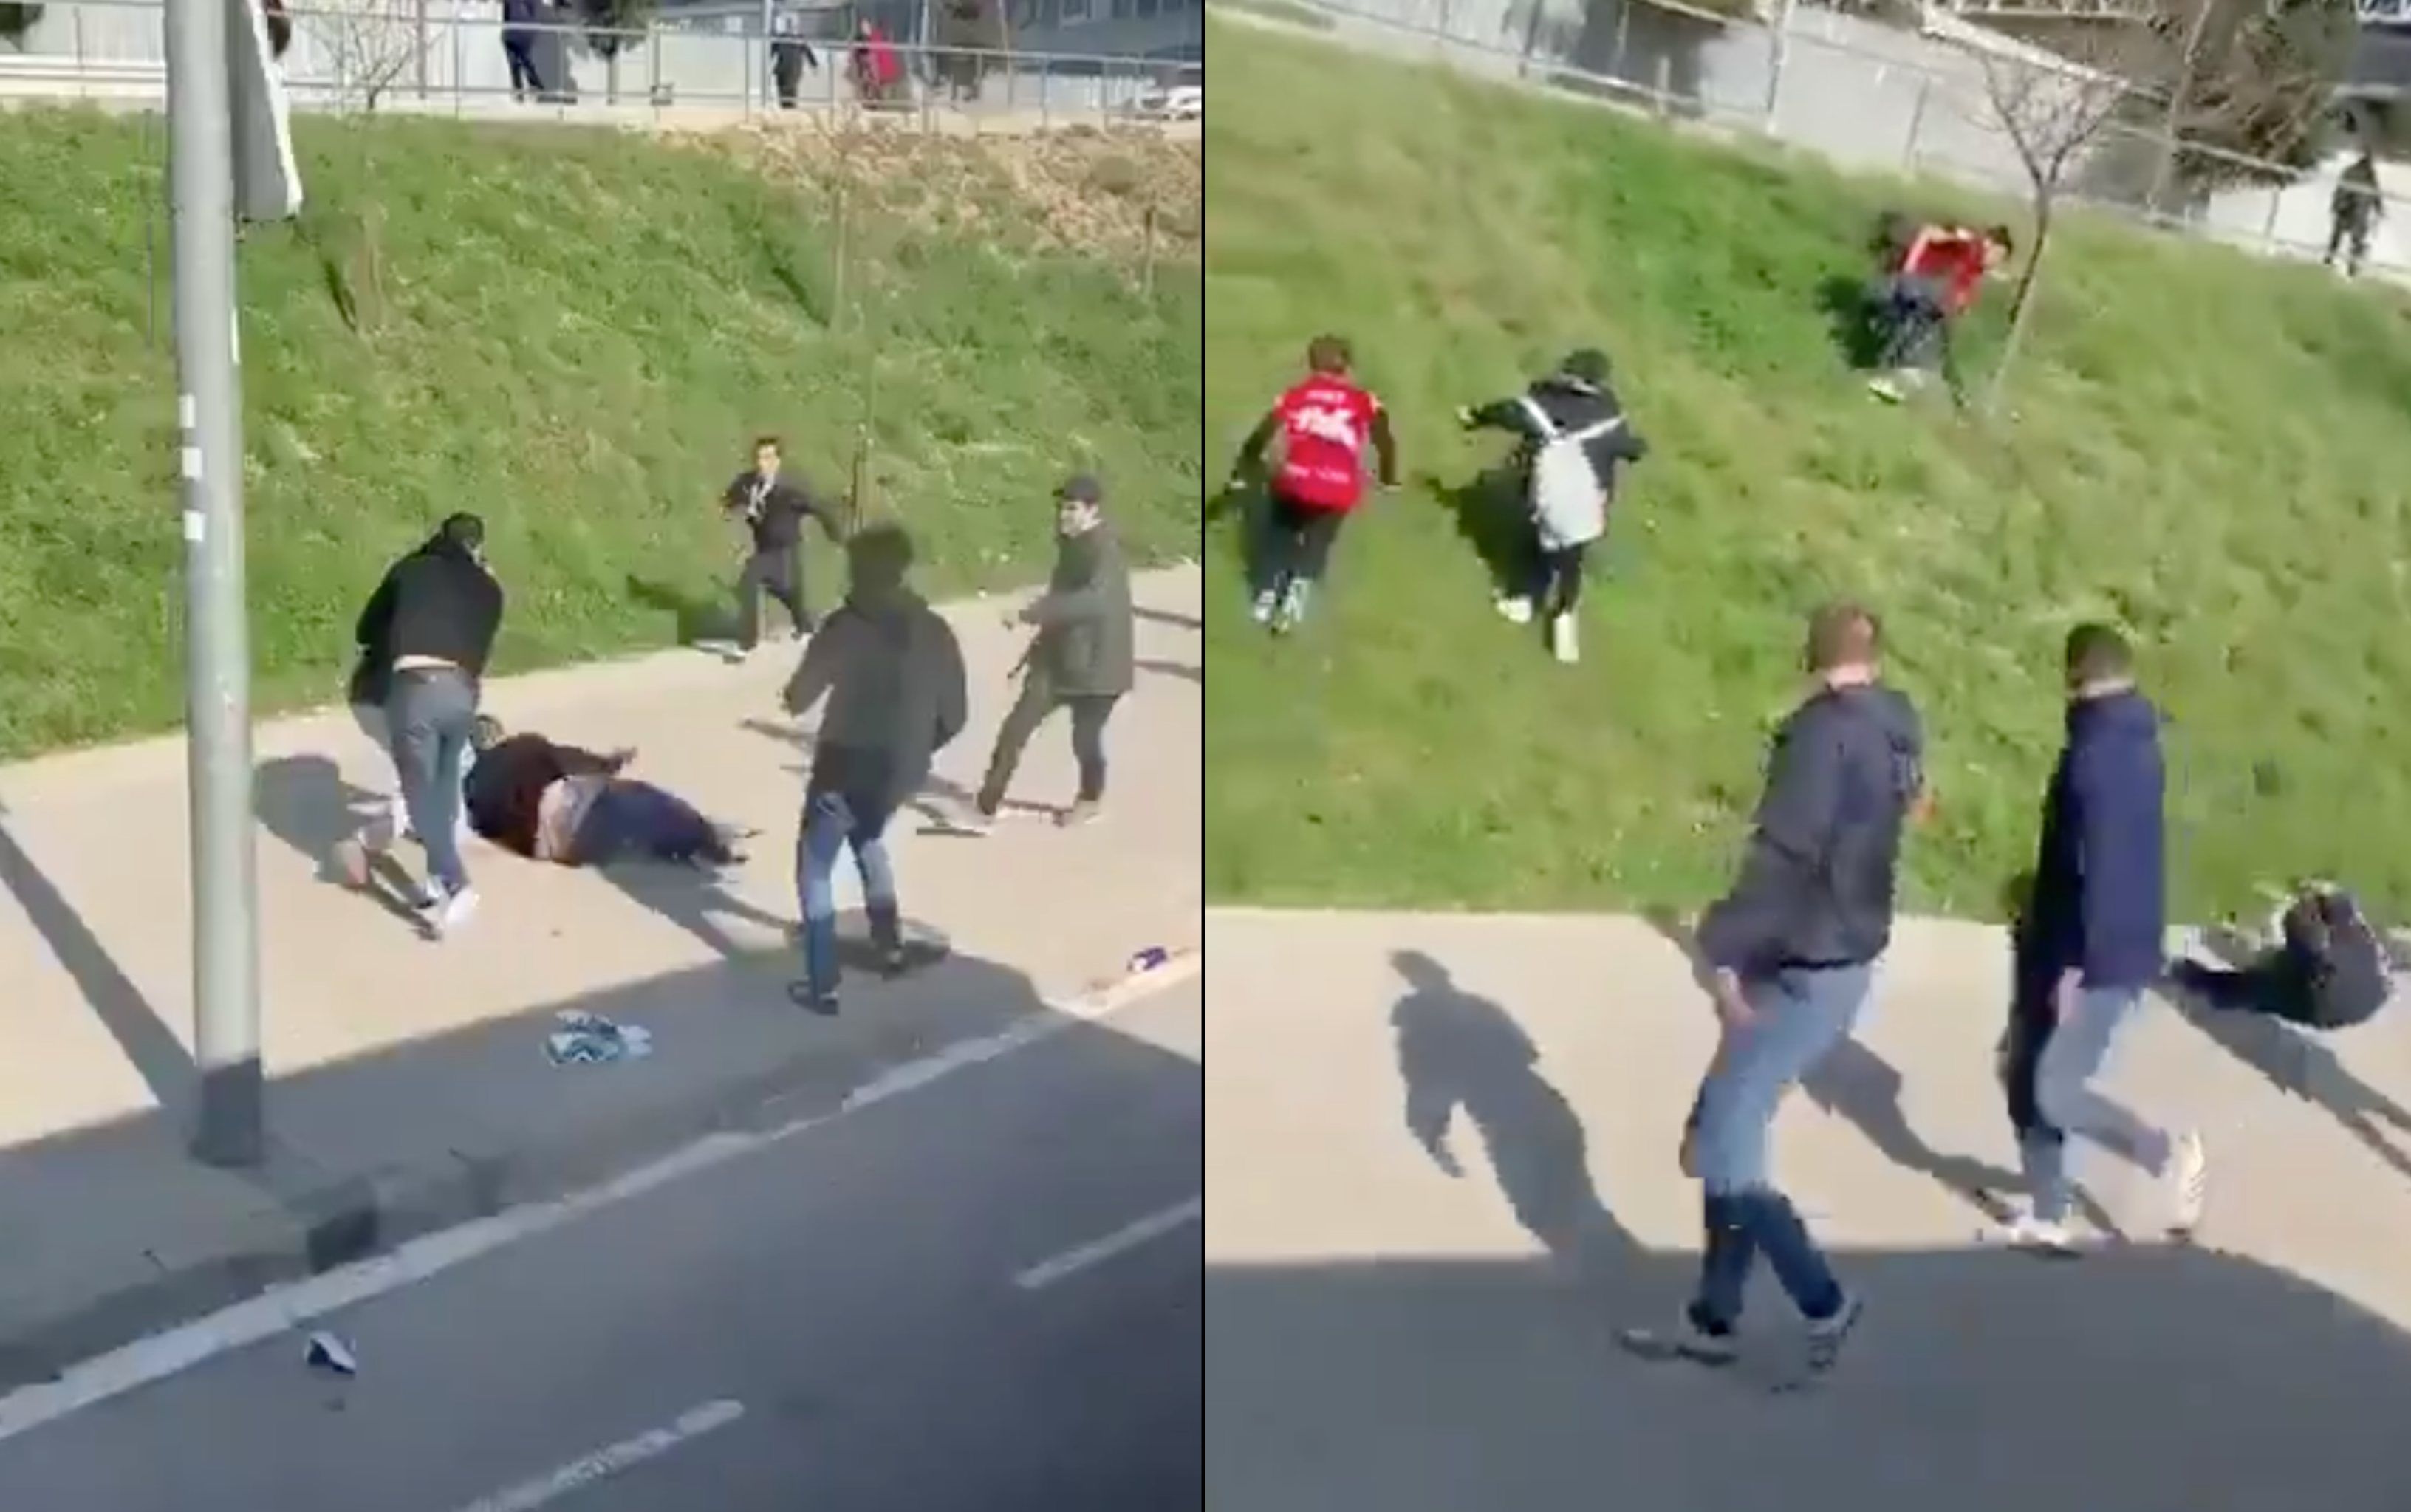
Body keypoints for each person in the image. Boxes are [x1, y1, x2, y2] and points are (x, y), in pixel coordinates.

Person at [1619, 603, 1923, 1377]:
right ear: (1874, 655)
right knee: (1728, 1132)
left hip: (1800, 963)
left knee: (1725, 1148)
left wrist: (1722, 954)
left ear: (1809, 654)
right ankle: (1715, 1317)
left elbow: (1783, 855)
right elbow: (1911, 807)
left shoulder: (1821, 736)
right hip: (1844, 956)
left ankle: (1823, 1301)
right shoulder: (1898, 723)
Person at [1994, 623, 2205, 1253]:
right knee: (2028, 1069)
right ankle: (2050, 1210)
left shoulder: (2095, 758)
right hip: (2089, 939)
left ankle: (2163, 1150)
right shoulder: (2133, 741)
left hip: (2092, 952)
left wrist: (2074, 968)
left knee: (2053, 1087)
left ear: (2073, 675)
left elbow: (2104, 869)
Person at [780, 524, 969, 1015]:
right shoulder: (936, 629)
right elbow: (956, 717)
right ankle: (890, 945)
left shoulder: (844, 626)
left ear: (857, 570)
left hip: (843, 765)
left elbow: (797, 698)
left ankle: (823, 985)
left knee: (815, 866)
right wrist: (917, 750)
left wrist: (803, 677)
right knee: (867, 837)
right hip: (900, 772)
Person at [346, 513, 505, 939]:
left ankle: (457, 886)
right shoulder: (489, 588)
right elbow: (479, 649)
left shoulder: (411, 570)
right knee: (445, 784)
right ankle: (436, 885)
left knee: (421, 796)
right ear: (478, 548)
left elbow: (366, 629)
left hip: (415, 688)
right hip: (463, 694)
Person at [962, 475, 1134, 832]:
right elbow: (1064, 599)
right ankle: (985, 807)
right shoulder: (1072, 544)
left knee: (1084, 739)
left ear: (1093, 511)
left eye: (1072, 508)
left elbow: (1093, 602)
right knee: (1015, 728)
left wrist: (1030, 613)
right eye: (1061, 507)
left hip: (1098, 667)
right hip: (1057, 661)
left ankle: (1090, 797)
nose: (1063, 515)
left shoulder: (1106, 550)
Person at [1457, 347, 1649, 666]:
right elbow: (1629, 448)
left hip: (1549, 495)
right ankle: (1565, 617)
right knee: (1572, 560)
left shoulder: (1544, 403)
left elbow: (1508, 412)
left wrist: (1474, 417)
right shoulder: (1610, 412)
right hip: (1591, 501)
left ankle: (1524, 599)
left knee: (1538, 543)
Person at [1228, 334, 1398, 634]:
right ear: (1348, 367)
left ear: (1310, 363)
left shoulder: (1296, 395)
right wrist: (1388, 477)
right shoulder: (1364, 401)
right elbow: (1385, 442)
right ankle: (1293, 606)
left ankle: (1265, 597)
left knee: (1280, 535)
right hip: (1338, 490)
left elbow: (1262, 434)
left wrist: (1246, 465)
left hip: (1296, 482)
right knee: (1318, 544)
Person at [462, 716, 745, 869]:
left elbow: (485, 829)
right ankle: (707, 840)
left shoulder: (473, 787)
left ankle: (682, 841)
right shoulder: (524, 746)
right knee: (639, 796)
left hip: (550, 850)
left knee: (622, 824)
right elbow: (573, 760)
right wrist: (609, 763)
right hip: (568, 814)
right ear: (500, 734)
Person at [2170, 882, 2391, 1032]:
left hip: (2324, 1008)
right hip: (2340, 990)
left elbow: (2301, 941)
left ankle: (2193, 977)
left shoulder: (2345, 949)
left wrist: (2297, 913)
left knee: (2262, 988)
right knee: (2280, 959)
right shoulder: (2360, 936)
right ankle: (2230, 950)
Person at [1866, 220, 2014, 403]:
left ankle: (1898, 375)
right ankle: (1905, 369)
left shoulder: (1977, 266)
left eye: (2000, 259)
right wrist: (1909, 271)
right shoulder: (1970, 243)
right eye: (1999, 255)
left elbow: (1966, 291)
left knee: (1933, 326)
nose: (1996, 262)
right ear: (1990, 244)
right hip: (1917, 284)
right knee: (1940, 307)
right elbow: (1927, 232)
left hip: (1926, 295)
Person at [722, 435, 841, 657]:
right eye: (758, 458)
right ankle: (805, 625)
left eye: (768, 458)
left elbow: (818, 508)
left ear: (777, 461)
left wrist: (836, 535)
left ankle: (746, 643)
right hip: (765, 547)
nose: (762, 464)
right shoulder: (748, 483)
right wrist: (738, 510)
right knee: (784, 591)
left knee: (754, 576)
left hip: (787, 551)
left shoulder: (790, 490)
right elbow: (729, 500)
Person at [2326, 152, 2384, 278]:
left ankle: (2330, 258)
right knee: (2356, 241)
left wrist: (2336, 205)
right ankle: (2351, 266)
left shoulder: (2349, 172)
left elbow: (2339, 190)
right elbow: (2376, 194)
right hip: (2357, 212)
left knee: (2337, 236)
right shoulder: (2370, 176)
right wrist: (2379, 209)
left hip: (2346, 209)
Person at [770, 7, 819, 110]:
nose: (791, 27)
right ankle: (784, 110)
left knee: (791, 92)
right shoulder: (780, 38)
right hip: (782, 70)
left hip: (794, 69)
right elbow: (771, 52)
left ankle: (791, 111)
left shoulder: (799, 39)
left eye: (792, 25)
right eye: (789, 24)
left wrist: (814, 65)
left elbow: (808, 52)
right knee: (782, 92)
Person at [852, 18, 904, 107]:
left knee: (873, 81)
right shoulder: (859, 37)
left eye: (867, 26)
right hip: (864, 62)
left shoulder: (876, 37)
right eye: (863, 26)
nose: (865, 28)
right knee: (866, 81)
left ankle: (875, 99)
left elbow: (877, 53)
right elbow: (856, 51)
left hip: (872, 62)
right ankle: (870, 100)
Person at [502, 0, 543, 102]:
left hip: (518, 29)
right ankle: (524, 88)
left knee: (520, 59)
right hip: (516, 29)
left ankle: (531, 85)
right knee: (517, 60)